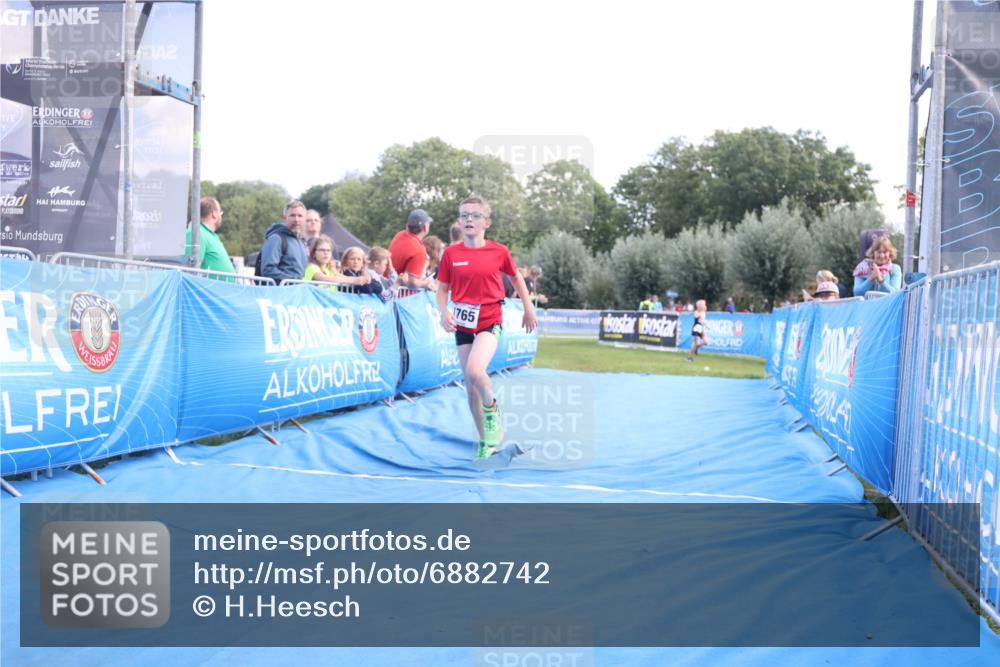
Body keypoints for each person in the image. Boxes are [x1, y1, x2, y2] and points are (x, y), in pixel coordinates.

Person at [437, 194, 537, 460]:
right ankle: (486, 440)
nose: (469, 219)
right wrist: (443, 311)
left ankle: (492, 407)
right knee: (469, 384)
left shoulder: (499, 251)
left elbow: (516, 279)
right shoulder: (451, 254)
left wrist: (528, 308)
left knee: (474, 370)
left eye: (475, 215)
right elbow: (442, 288)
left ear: (487, 222)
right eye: (464, 215)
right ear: (459, 221)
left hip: (489, 319)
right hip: (462, 322)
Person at [260, 200, 309, 284]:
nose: (296, 219)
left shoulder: (301, 241)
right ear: (285, 218)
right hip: (280, 293)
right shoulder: (276, 239)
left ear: (305, 219)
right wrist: (294, 281)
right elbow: (268, 270)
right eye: (292, 215)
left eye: (300, 216)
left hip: (296, 291)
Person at [186, 196, 236, 277]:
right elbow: (190, 270)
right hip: (210, 289)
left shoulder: (209, 234)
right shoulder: (196, 232)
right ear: (214, 214)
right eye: (220, 212)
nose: (221, 216)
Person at [389, 209, 435, 289]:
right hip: (399, 295)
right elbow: (412, 283)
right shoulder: (419, 250)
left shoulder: (400, 234)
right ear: (425, 227)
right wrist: (426, 284)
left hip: (387, 287)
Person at [304, 235, 371, 288]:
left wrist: (365, 278)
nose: (326, 253)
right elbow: (326, 279)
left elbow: (342, 277)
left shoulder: (330, 268)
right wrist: (357, 280)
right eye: (322, 250)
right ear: (314, 253)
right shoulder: (312, 267)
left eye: (328, 250)